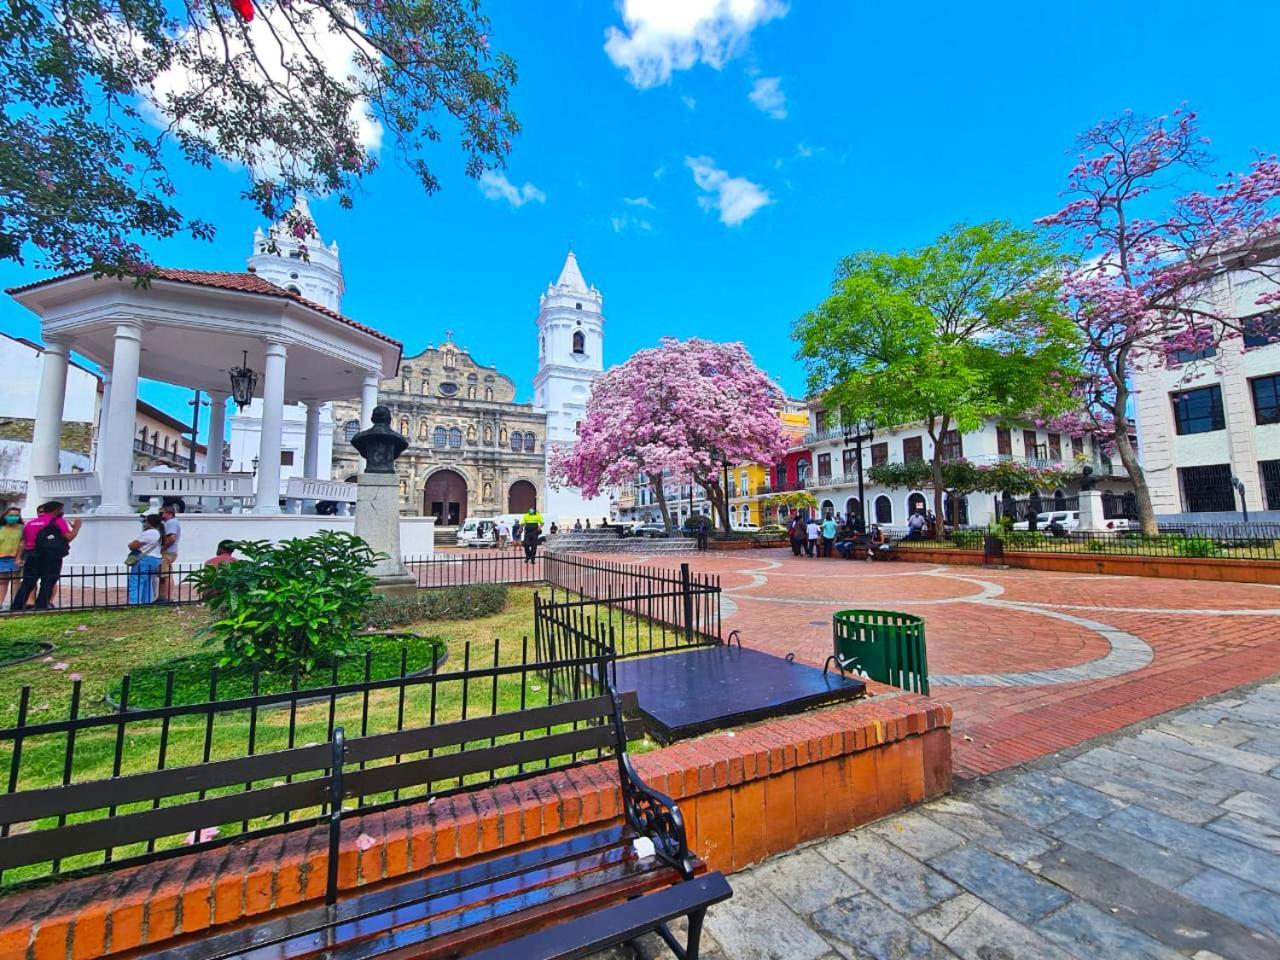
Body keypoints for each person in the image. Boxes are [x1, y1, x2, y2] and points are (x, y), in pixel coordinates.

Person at [11, 501, 80, 610]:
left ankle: (17, 606)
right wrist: (77, 527)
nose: (62, 512)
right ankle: (42, 606)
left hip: (32, 555)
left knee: (28, 582)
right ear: (56, 511)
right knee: (48, 581)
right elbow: (69, 537)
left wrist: (20, 556)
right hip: (51, 556)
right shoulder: (58, 521)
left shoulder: (31, 523)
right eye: (60, 510)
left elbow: (25, 541)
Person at [127, 514, 165, 604]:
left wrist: (130, 544)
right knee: (147, 583)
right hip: (156, 559)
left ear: (149, 522)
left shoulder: (149, 533)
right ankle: (147, 601)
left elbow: (134, 545)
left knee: (136, 582)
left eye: (146, 521)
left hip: (145, 559)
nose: (144, 523)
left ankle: (134, 603)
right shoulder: (159, 533)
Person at [156, 505, 182, 603]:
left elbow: (172, 538)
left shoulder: (171, 523)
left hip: (168, 552)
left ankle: (164, 597)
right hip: (171, 551)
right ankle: (166, 596)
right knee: (168, 574)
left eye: (162, 513)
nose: (161, 515)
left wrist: (163, 548)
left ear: (169, 513)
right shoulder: (171, 522)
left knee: (165, 576)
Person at [0, 506, 22, 607]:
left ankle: (15, 604)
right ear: (5, 516)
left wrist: (19, 557)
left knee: (15, 581)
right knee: (2, 582)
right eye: (11, 515)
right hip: (1, 559)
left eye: (16, 516)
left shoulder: (22, 528)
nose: (14, 517)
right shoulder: (1, 528)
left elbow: (23, 543)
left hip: (14, 559)